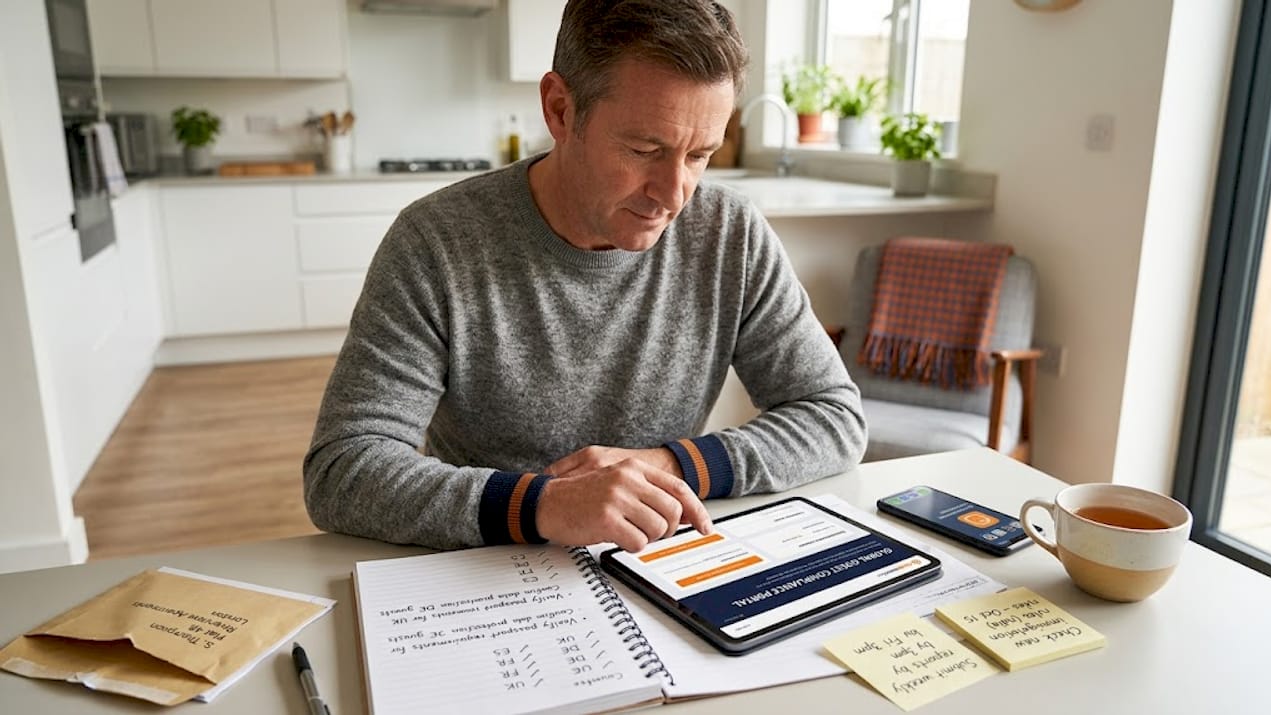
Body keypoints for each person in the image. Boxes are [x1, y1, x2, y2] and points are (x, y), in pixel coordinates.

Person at [303, 0, 866, 553]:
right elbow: (342, 468)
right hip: (485, 564)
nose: (675, 196)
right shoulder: (436, 241)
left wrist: (668, 466)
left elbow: (833, 417)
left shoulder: (731, 234)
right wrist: (545, 504)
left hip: (656, 556)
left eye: (700, 155)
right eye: (646, 149)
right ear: (560, 110)